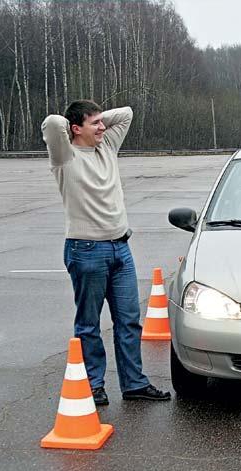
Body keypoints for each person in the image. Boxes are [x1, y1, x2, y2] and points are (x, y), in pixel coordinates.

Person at [42, 100, 171, 405]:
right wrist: (74, 122)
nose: (103, 127)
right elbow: (52, 123)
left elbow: (127, 113)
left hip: (120, 248)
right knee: (89, 324)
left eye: (102, 121)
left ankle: (134, 384)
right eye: (95, 123)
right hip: (86, 250)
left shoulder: (107, 147)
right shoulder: (65, 156)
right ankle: (94, 385)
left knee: (129, 320)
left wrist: (94, 120)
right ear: (75, 129)